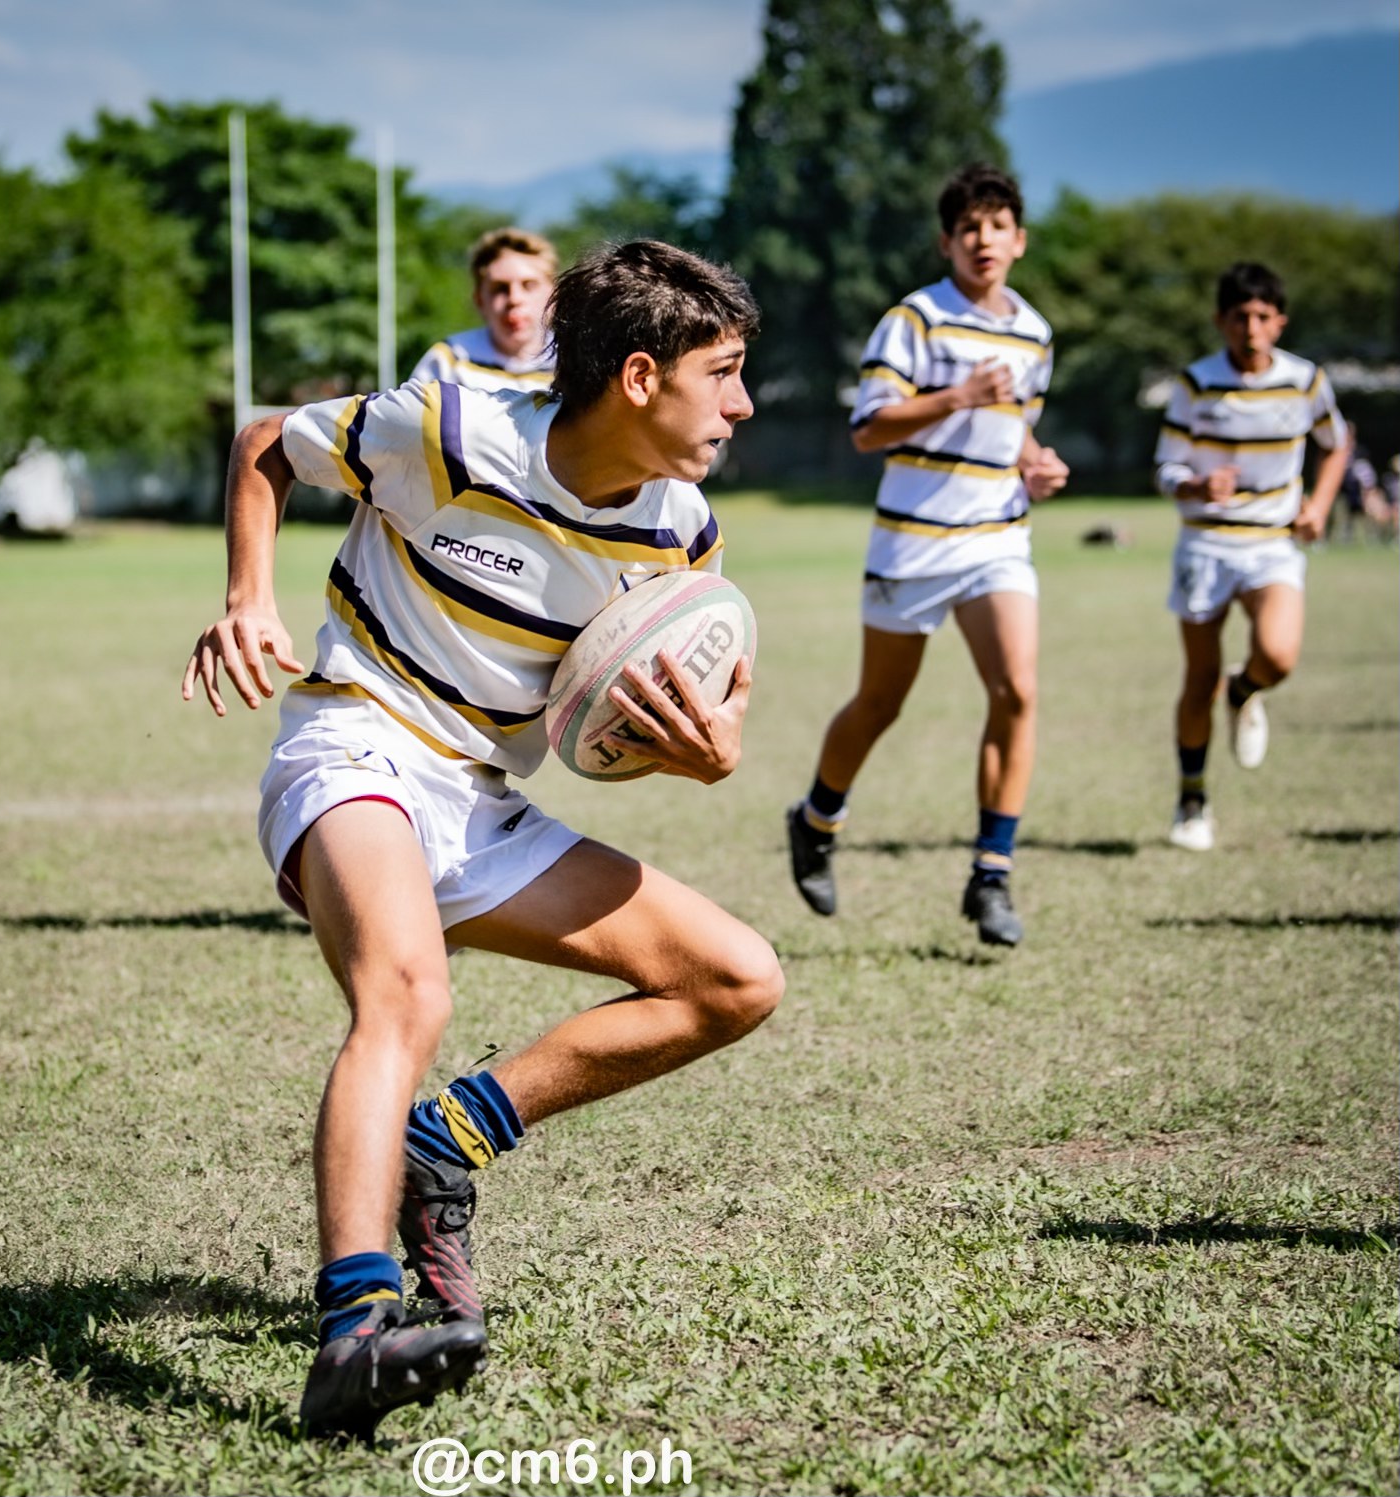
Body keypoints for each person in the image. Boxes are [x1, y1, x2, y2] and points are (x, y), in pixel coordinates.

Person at [182, 241, 780, 1440]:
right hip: (353, 750)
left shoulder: (683, 537)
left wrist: (703, 751)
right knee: (406, 994)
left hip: (486, 806)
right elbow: (264, 441)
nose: (744, 403)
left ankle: (449, 1141)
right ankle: (356, 1324)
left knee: (736, 980)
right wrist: (251, 594)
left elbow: (638, 717)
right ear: (641, 376)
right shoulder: (452, 427)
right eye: (724, 374)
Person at [785, 163, 1068, 947]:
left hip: (995, 539)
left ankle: (991, 873)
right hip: (910, 543)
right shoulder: (912, 320)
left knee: (1016, 689)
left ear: (1018, 239)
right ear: (947, 241)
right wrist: (953, 397)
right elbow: (867, 428)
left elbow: (1014, 429)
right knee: (880, 705)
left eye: (997, 225)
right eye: (968, 227)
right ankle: (815, 820)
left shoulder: (1034, 332)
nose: (983, 239)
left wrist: (1035, 464)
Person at [1153, 261, 1350, 852]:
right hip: (1206, 542)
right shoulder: (1194, 384)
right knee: (1198, 679)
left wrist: (1318, 504)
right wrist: (1194, 486)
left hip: (1271, 543)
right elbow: (1165, 470)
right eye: (1239, 316)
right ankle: (1192, 801)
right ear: (1220, 321)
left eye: (1263, 316)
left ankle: (1247, 691)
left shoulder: (1305, 381)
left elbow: (1337, 444)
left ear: (1280, 322)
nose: (1251, 327)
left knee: (1279, 657)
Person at [409, 227, 558, 393]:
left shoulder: (575, 362)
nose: (514, 299)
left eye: (528, 285)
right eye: (500, 288)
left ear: (554, 296)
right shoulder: (449, 360)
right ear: (479, 300)